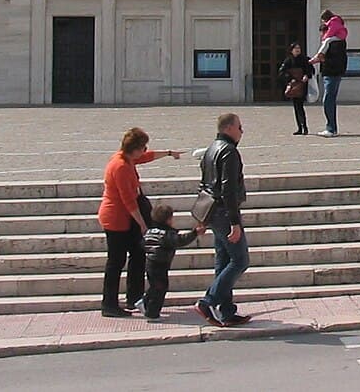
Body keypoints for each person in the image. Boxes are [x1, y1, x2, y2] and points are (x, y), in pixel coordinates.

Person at [96, 128, 181, 318]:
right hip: (117, 219)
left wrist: (168, 153)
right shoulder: (121, 167)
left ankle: (134, 296)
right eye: (142, 146)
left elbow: (146, 157)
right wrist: (143, 224)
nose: (145, 149)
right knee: (116, 262)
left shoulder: (125, 158)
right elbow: (128, 201)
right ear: (134, 148)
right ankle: (109, 304)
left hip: (125, 219)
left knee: (137, 255)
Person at [195, 113, 252, 327]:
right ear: (229, 128)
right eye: (239, 126)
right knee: (240, 260)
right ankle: (208, 301)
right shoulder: (228, 152)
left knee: (224, 260)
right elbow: (228, 189)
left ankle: (226, 311)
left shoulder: (210, 150)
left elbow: (203, 184)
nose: (241, 131)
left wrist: (202, 217)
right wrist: (235, 222)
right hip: (224, 212)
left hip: (212, 212)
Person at [141, 204, 205, 321]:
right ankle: (152, 313)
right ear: (169, 220)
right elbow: (180, 240)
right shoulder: (166, 235)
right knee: (160, 288)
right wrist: (194, 233)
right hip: (160, 263)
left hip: (151, 262)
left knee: (155, 286)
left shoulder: (150, 231)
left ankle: (144, 302)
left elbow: (142, 244)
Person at [310, 9, 348, 137]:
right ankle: (332, 127)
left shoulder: (333, 41)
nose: (321, 36)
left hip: (332, 73)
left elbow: (333, 58)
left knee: (328, 99)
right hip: (335, 72)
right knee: (330, 98)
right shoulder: (339, 39)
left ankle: (331, 128)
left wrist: (318, 58)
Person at [279, 41, 314, 135]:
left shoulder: (305, 59)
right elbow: (282, 72)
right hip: (294, 86)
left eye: (299, 48)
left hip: (302, 85)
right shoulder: (288, 60)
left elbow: (311, 69)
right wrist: (290, 79)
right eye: (296, 48)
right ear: (291, 50)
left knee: (300, 106)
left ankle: (304, 127)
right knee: (296, 106)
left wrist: (307, 75)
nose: (298, 50)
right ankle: (299, 127)